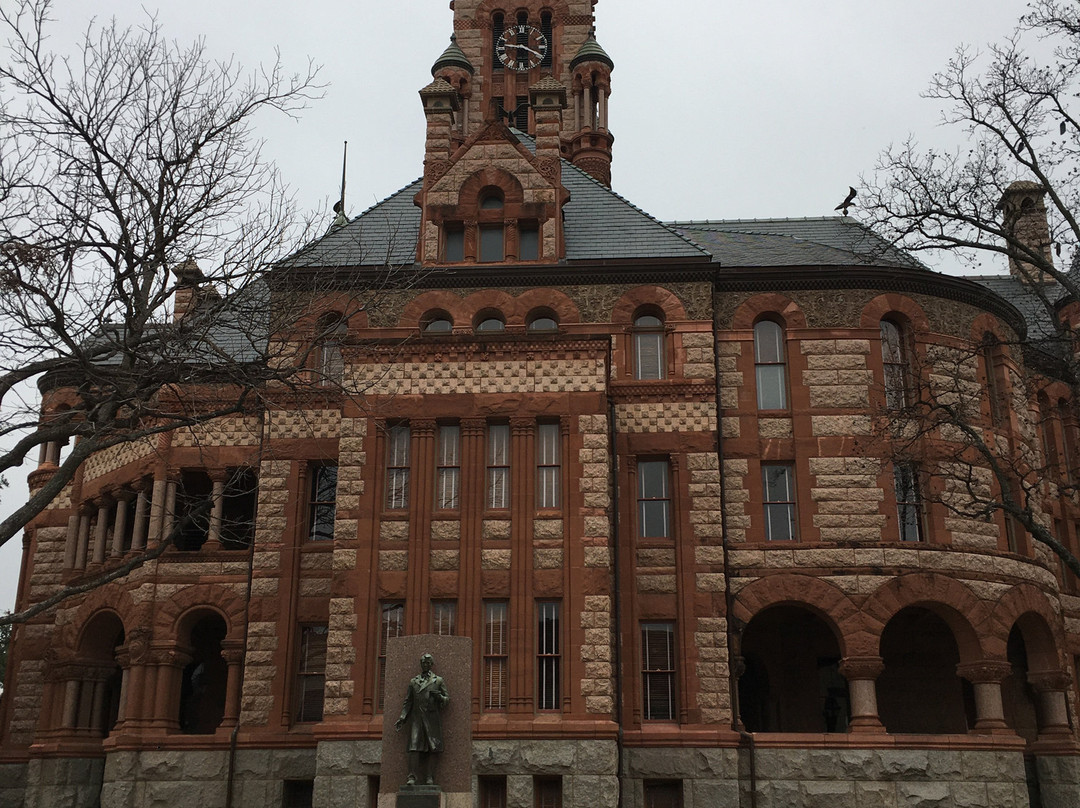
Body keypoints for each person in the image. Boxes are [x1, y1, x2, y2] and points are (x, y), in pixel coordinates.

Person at [394, 652, 449, 786]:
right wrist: (402, 717)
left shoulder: (438, 680)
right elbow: (408, 702)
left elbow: (447, 699)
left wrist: (439, 697)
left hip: (432, 718)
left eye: (428, 663)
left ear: (431, 664)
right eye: (423, 663)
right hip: (417, 719)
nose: (425, 665)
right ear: (421, 664)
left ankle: (429, 777)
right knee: (414, 747)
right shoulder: (414, 682)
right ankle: (412, 777)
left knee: (433, 747)